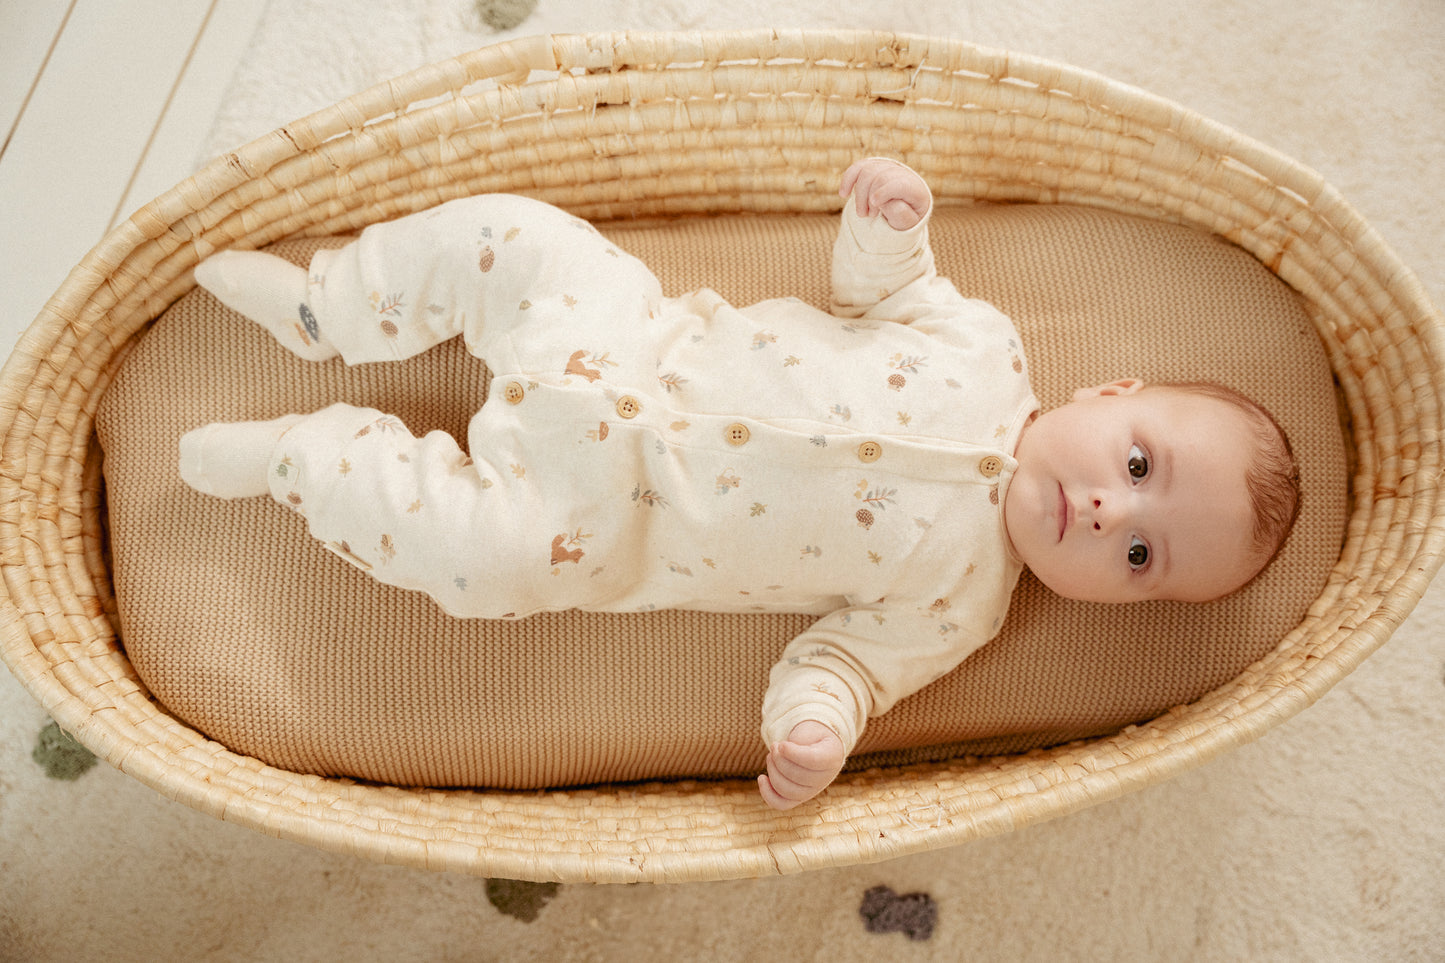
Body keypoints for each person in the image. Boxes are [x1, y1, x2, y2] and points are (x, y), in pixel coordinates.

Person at [179, 158, 1300, 809]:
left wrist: (812, 732)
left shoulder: (958, 605)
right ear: (1109, 392)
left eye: (1140, 555)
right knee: (515, 239)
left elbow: (843, 667)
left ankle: (302, 461)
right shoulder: (982, 346)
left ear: (1118, 600)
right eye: (1140, 464)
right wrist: (886, 220)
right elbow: (883, 290)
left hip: (599, 526)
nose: (1109, 510)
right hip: (631, 337)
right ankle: (335, 304)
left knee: (484, 564)